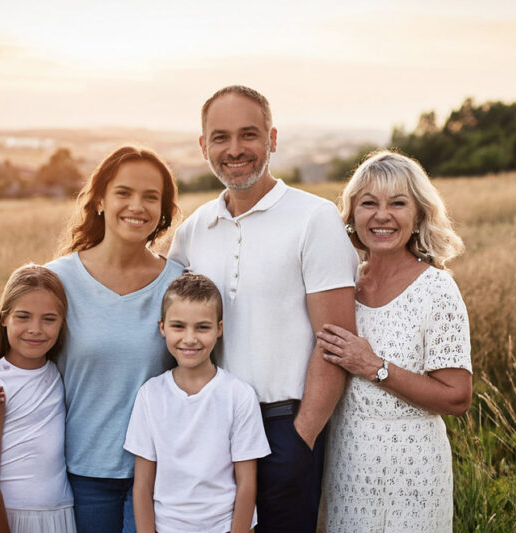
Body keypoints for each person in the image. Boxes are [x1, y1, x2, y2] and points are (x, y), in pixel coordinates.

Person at [0, 145, 184, 533]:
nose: (137, 206)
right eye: (123, 193)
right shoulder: (59, 278)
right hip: (79, 477)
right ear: (99, 201)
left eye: (151, 196)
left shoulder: (179, 283)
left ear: (163, 210)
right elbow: (22, 363)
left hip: (160, 472)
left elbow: (203, 371)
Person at [167, 85, 359, 533]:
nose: (235, 150)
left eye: (248, 135)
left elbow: (337, 340)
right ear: (203, 146)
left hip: (283, 425)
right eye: (220, 138)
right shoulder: (195, 228)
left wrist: (302, 438)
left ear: (271, 139)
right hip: (207, 424)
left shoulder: (314, 218)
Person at [316, 150, 473, 532]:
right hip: (345, 460)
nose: (381, 216)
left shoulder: (436, 290)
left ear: (418, 215)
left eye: (397, 203)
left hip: (412, 468)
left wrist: (374, 367)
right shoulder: (343, 283)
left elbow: (457, 397)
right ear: (352, 215)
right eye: (368, 203)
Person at [124, 273, 271, 533]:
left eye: (202, 327)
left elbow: (247, 483)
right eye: (178, 326)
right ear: (162, 327)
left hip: (223, 527)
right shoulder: (150, 395)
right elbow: (143, 484)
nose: (190, 339)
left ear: (219, 329)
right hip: (167, 526)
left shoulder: (239, 395)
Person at [0, 264, 75, 533]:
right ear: (4, 318)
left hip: (55, 514)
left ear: (62, 323)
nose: (36, 329)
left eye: (49, 319)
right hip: (4, 517)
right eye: (23, 316)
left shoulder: (59, 372)